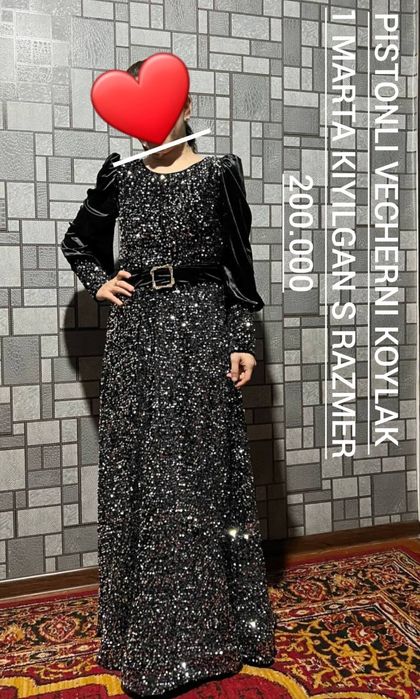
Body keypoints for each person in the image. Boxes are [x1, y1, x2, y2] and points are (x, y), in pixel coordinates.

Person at [60, 58, 276, 697]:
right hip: (138, 334)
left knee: (198, 470)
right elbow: (79, 241)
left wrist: (241, 339)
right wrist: (100, 282)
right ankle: (143, 633)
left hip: (202, 326)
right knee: (144, 471)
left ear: (185, 107)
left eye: (165, 106)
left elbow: (238, 265)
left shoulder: (219, 172)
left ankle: (215, 634)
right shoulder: (120, 174)